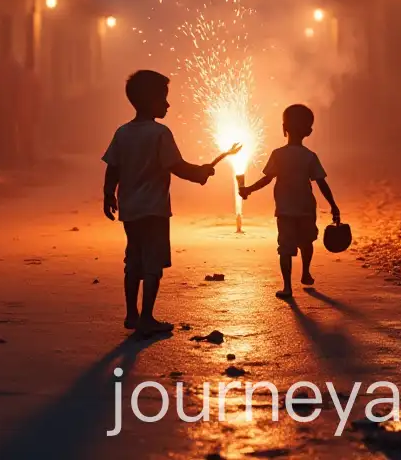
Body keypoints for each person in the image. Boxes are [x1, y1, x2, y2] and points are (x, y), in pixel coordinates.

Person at [102, 70, 234, 337]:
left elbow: (112, 168)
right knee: (153, 264)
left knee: (133, 261)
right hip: (155, 210)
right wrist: (200, 173)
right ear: (150, 100)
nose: (167, 104)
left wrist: (108, 195)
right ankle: (147, 318)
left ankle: (131, 314)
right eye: (163, 98)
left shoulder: (122, 133)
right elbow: (177, 166)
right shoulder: (160, 133)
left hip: (130, 210)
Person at [239, 104, 340, 300]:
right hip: (306, 209)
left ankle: (287, 287)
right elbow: (321, 183)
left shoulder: (278, 155)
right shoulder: (310, 156)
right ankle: (306, 272)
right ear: (309, 131)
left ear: (283, 127)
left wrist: (249, 189)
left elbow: (267, 179)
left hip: (285, 210)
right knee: (307, 242)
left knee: (285, 249)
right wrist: (333, 205)